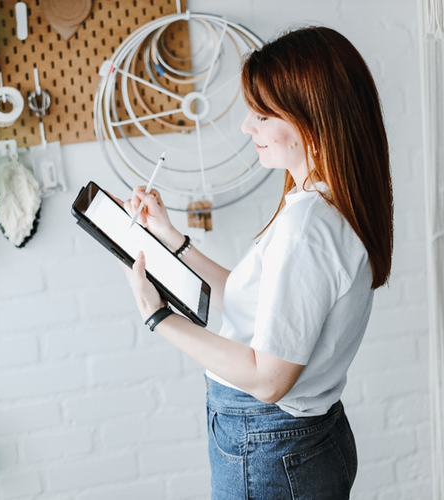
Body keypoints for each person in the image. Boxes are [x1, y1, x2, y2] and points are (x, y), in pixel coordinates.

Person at [120, 25, 392, 500]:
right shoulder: (327, 201)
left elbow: (268, 380)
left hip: (269, 446)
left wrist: (158, 317)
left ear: (312, 120)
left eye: (263, 115)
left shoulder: (308, 224)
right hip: (300, 441)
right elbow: (258, 306)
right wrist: (171, 237)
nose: (248, 127)